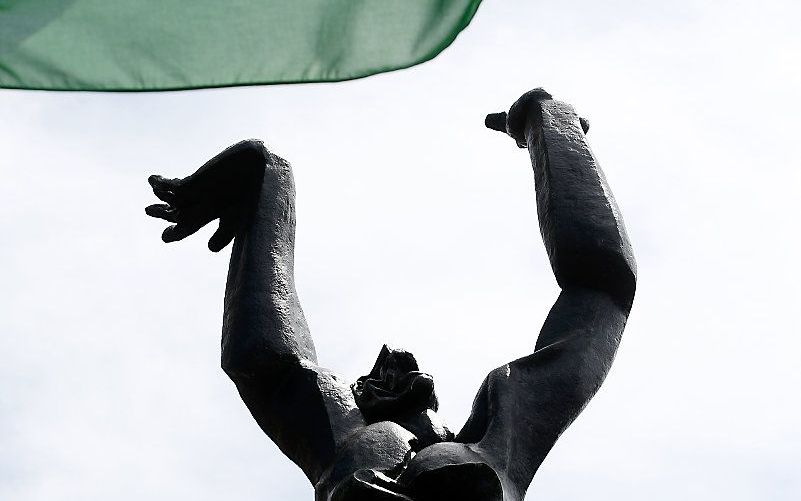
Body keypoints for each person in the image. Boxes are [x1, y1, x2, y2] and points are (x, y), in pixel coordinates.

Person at [145, 89, 636, 501]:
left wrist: (549, 125)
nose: (393, 366)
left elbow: (601, 290)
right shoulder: (347, 441)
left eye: (398, 369)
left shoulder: (502, 434)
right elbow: (265, 359)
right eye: (377, 376)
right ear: (356, 400)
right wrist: (265, 180)